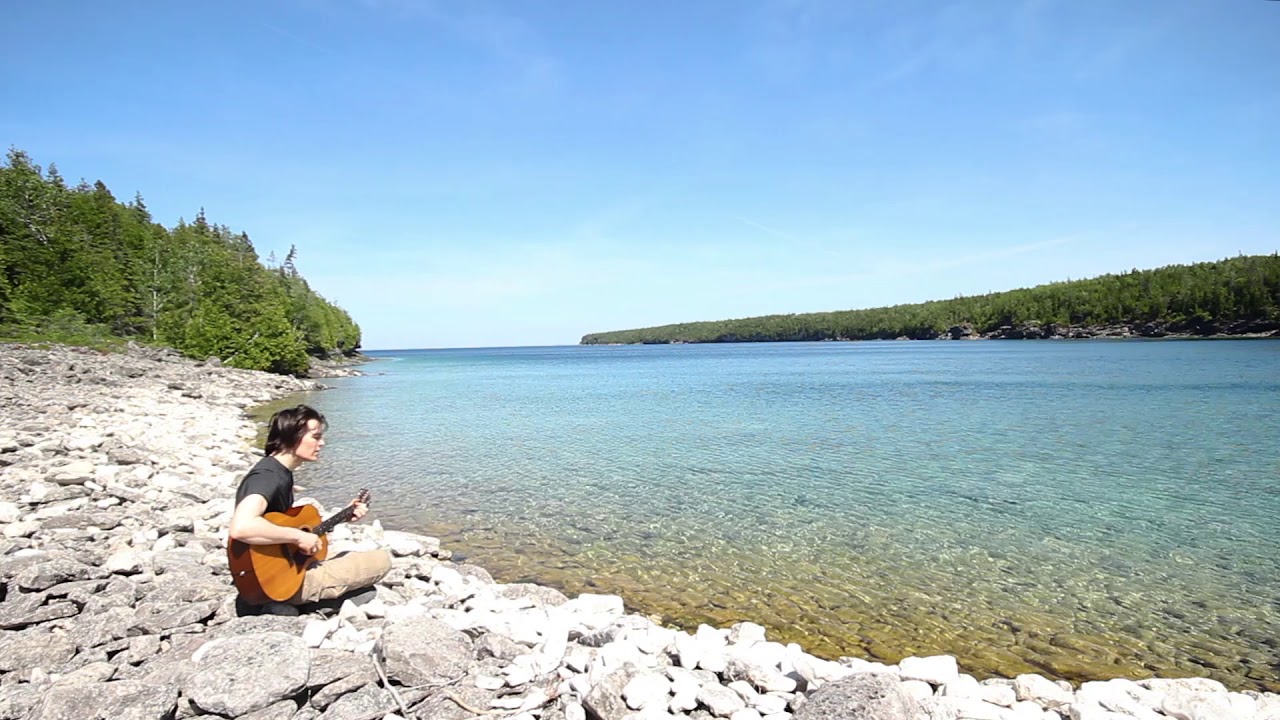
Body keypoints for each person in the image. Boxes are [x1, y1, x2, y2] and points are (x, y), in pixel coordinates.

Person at [229, 404, 390, 614]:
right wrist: (298, 537)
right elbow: (241, 527)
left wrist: (343, 515)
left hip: (272, 574)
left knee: (340, 555)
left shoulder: (279, 472)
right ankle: (305, 604)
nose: (322, 443)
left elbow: (283, 528)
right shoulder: (268, 477)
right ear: (291, 436)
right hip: (274, 584)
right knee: (382, 561)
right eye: (315, 436)